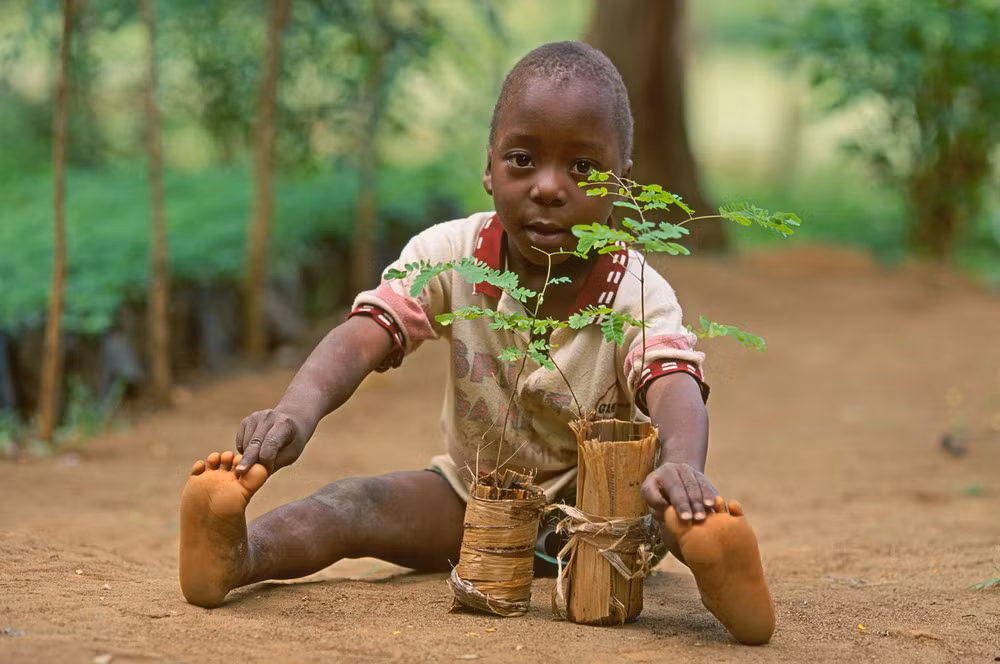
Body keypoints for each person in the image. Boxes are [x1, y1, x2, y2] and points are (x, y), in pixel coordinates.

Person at [178, 41, 775, 645]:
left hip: (604, 516)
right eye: (522, 159)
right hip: (473, 502)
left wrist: (680, 467)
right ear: (489, 168)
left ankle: (715, 563)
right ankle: (240, 556)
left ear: (622, 184)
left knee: (672, 513)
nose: (547, 187)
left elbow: (672, 382)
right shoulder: (450, 255)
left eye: (584, 170)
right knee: (350, 504)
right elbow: (363, 334)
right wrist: (295, 413)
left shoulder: (637, 292)